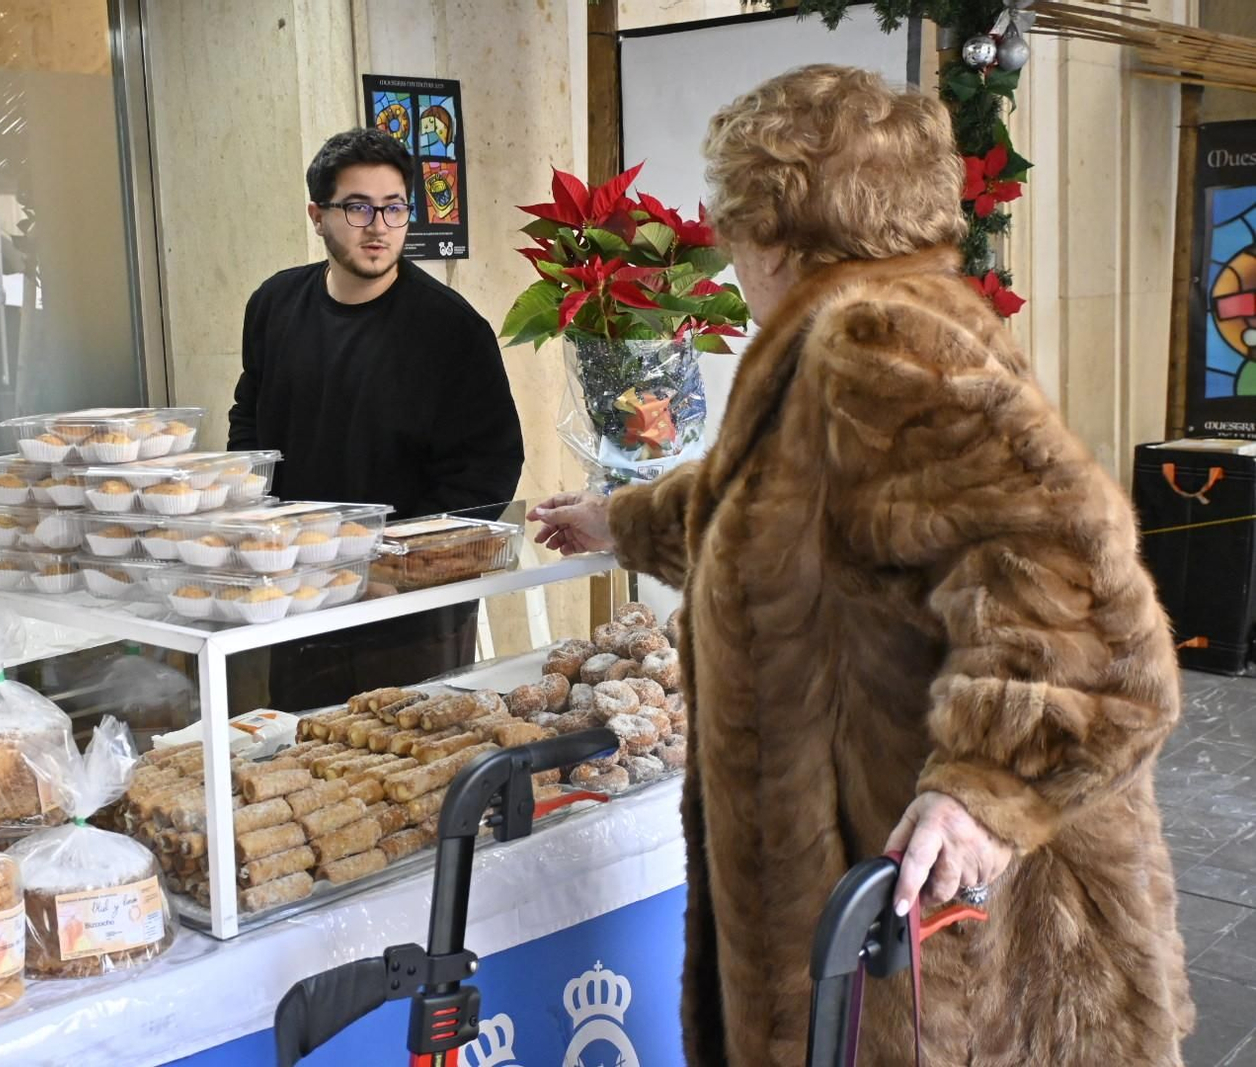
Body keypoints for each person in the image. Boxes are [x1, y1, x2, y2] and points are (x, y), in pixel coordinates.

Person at [530, 65, 1191, 1065]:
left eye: (727, 216)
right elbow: (789, 519)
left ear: (772, 225)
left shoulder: (875, 338)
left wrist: (985, 787)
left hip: (942, 952)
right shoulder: (862, 327)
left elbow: (1084, 604)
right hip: (895, 914)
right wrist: (617, 520)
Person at [230, 127, 524, 709]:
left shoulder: (450, 329)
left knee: (409, 772)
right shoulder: (274, 304)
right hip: (301, 594)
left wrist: (401, 563)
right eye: (357, 207)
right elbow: (249, 420)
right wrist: (256, 521)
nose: (378, 226)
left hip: (409, 608)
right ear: (318, 215)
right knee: (303, 758)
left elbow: (489, 470)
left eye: (393, 208)